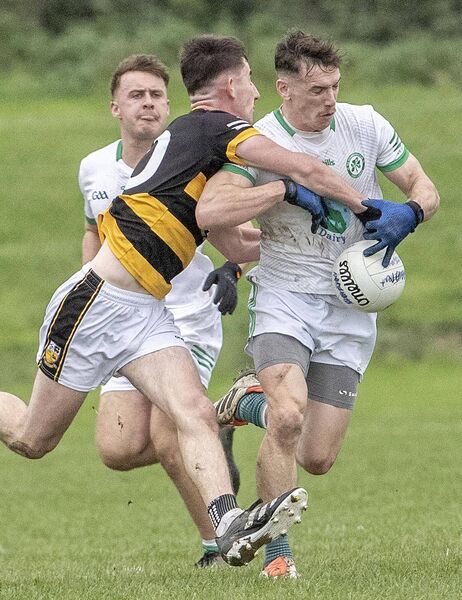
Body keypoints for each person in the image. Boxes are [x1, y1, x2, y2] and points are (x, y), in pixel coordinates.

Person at [0, 30, 387, 565]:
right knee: (31, 439)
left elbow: (234, 236)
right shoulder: (216, 125)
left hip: (146, 311)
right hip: (97, 301)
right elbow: (304, 168)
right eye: (251, 82)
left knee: (195, 413)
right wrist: (368, 208)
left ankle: (227, 524)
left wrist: (273, 249)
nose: (256, 94)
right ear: (231, 85)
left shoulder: (197, 141)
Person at [197, 31, 440, 577]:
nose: (329, 99)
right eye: (315, 89)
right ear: (283, 88)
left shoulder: (365, 124)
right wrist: (240, 251)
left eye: (334, 86)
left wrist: (412, 214)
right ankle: (279, 560)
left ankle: (243, 403)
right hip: (285, 298)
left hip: (351, 308)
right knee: (287, 416)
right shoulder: (258, 142)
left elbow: (424, 186)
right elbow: (212, 211)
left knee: (317, 457)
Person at [79, 54, 247, 568]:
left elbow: (231, 227)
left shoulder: (196, 155)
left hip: (187, 316)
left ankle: (216, 547)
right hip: (124, 317)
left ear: (170, 105)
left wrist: (234, 269)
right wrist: (91, 289)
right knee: (118, 448)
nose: (148, 103)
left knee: (168, 435)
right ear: (115, 107)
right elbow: (93, 230)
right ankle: (217, 419)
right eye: (136, 94)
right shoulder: (94, 168)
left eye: (157, 94)